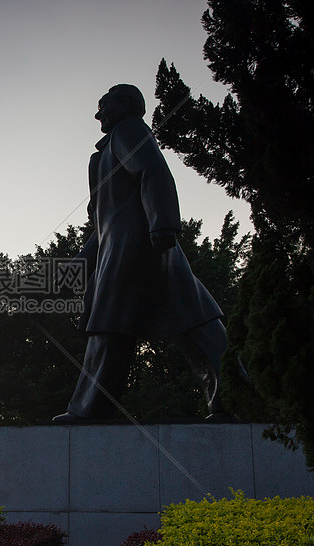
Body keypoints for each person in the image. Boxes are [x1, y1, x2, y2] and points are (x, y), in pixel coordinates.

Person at [52, 84, 234, 422]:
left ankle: (90, 410)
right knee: (195, 322)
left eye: (103, 105)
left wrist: (163, 224)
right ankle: (237, 397)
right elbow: (103, 224)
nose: (98, 114)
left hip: (135, 248)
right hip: (133, 246)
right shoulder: (101, 156)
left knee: (110, 325)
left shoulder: (129, 129)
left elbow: (152, 169)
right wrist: (77, 265)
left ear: (126, 105)